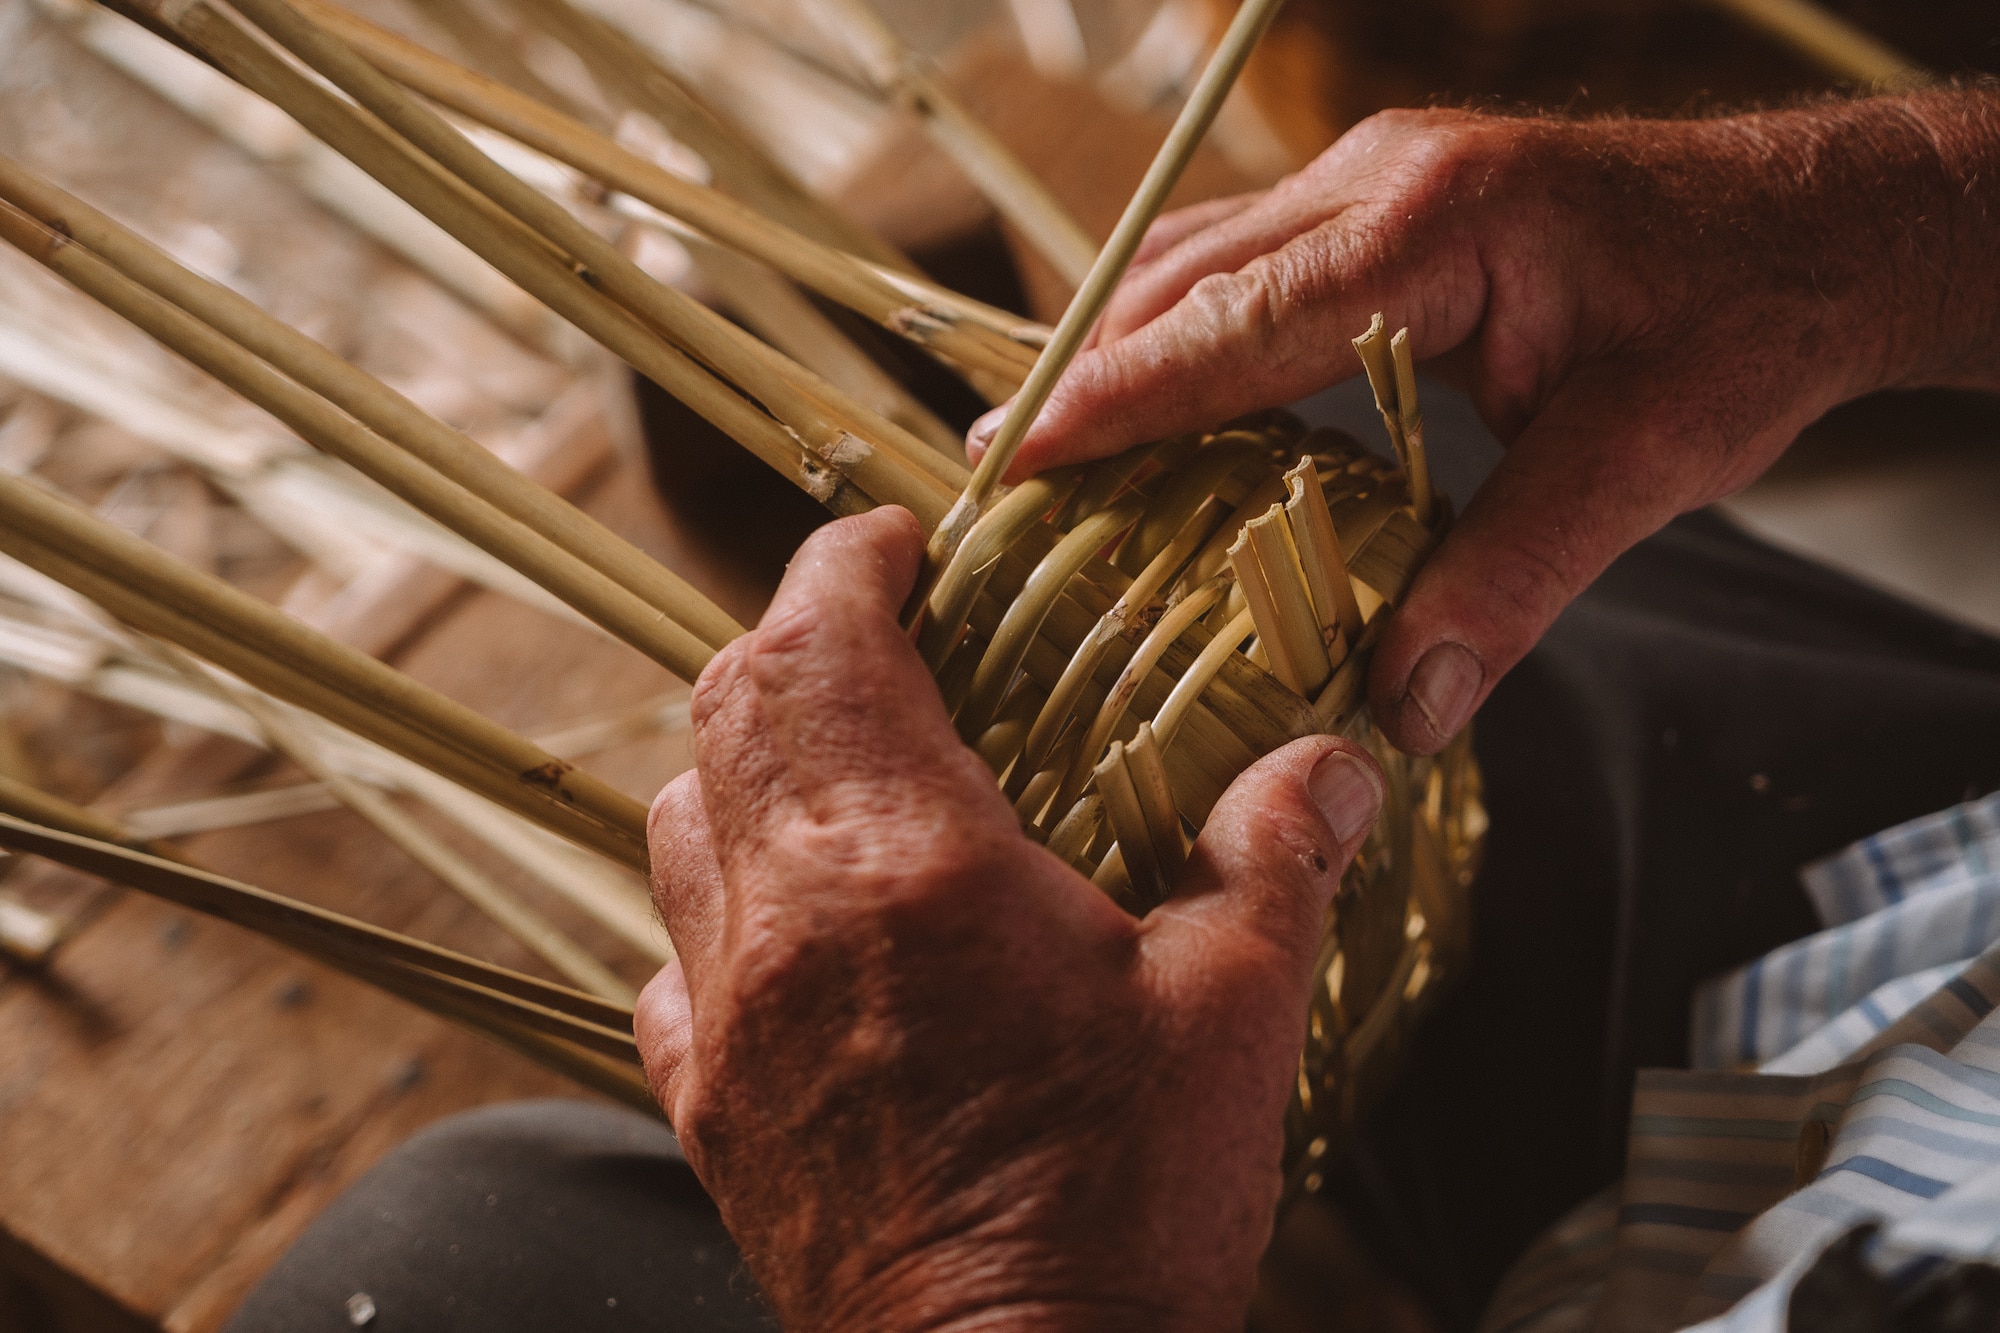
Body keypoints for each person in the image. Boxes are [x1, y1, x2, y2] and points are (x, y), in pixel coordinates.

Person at [229, 86, 2000, 1332]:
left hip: (1676, 1252)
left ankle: (970, 661)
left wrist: (1001, 1275)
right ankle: (1000, 619)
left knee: (435, 1254)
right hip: (1938, 907)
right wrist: (1879, 213)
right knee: (1444, 423)